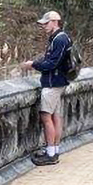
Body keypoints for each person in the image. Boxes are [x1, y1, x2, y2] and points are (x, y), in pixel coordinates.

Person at [21, 10, 72, 166]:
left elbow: (52, 64)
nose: (43, 26)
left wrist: (33, 65)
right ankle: (54, 151)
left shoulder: (60, 39)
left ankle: (51, 154)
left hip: (53, 83)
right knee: (56, 116)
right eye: (42, 24)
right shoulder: (58, 38)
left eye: (46, 23)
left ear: (55, 22)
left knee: (46, 116)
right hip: (57, 81)